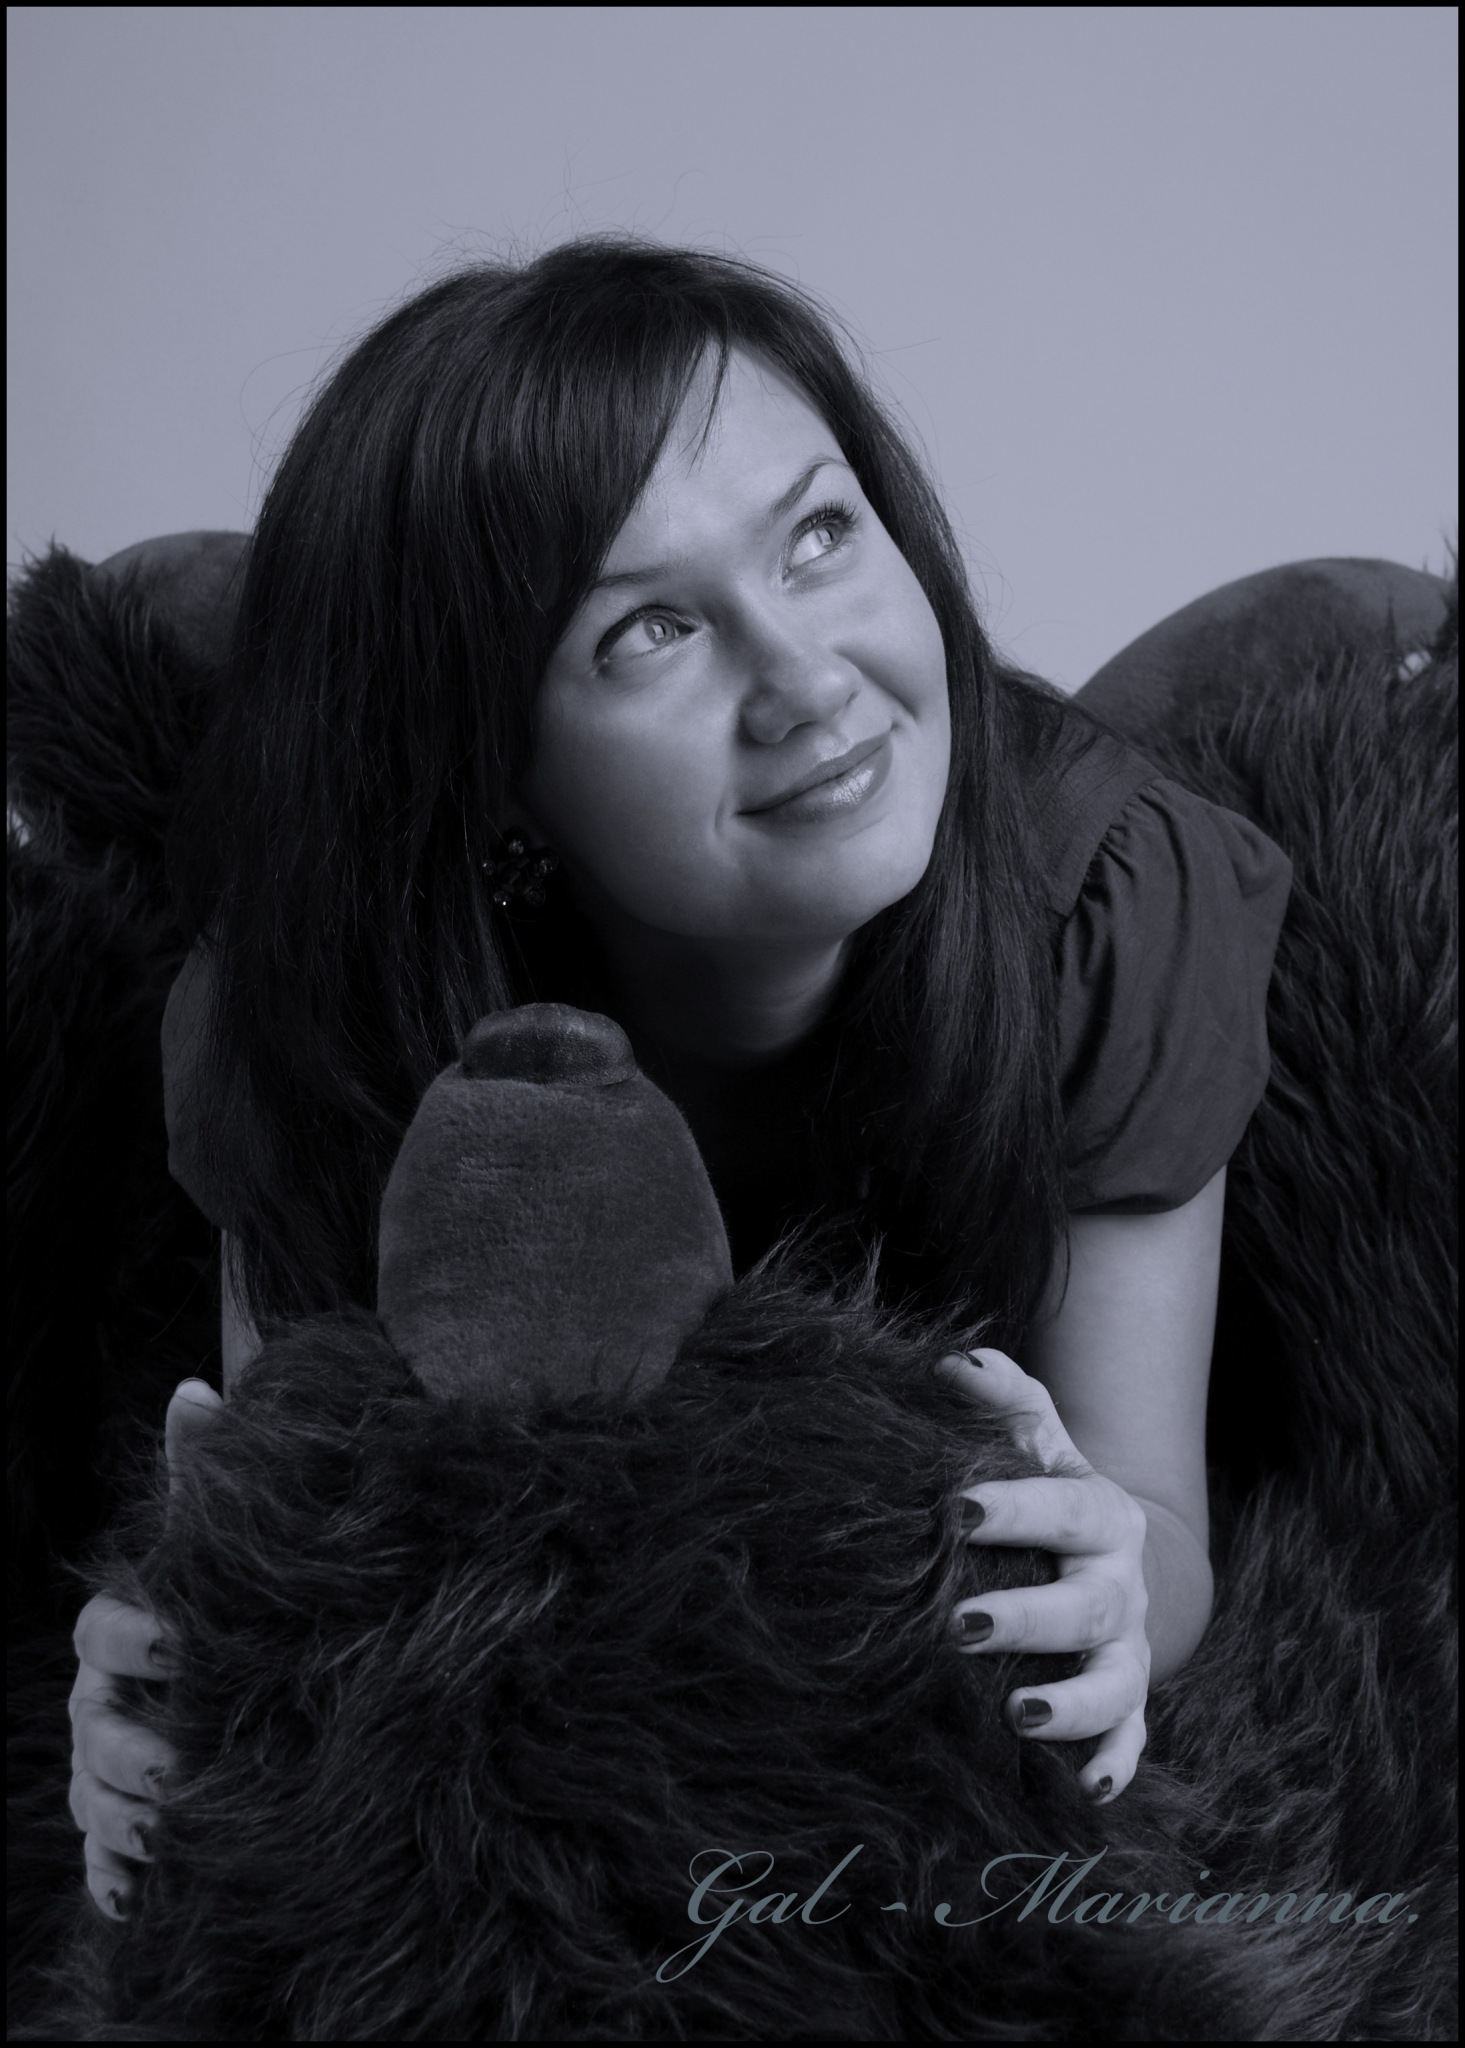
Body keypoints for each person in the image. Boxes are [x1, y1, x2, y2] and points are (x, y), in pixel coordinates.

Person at [68, 238, 1291, 1922]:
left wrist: (1108, 1579)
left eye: (818, 534)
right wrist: (168, 1682)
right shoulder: (311, 1012)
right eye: (648, 629)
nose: (805, 682)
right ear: (486, 764)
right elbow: (309, 1537)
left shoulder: (1102, 901)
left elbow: (1154, 1514)